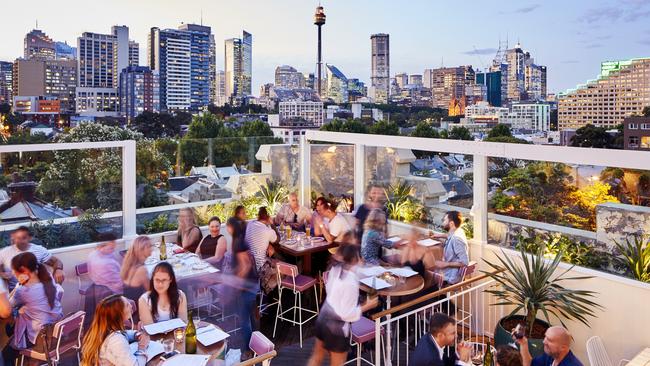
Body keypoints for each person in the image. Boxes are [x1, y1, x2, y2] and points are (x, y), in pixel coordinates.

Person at [308, 244, 378, 366]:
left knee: (316, 358)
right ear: (354, 260)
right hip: (336, 329)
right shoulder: (350, 282)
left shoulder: (335, 270)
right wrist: (367, 305)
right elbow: (346, 314)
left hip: (323, 318)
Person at [9, 252, 64, 351]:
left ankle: (28, 359)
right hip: (56, 332)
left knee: (6, 352)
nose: (13, 273)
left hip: (41, 339)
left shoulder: (23, 290)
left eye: (14, 270)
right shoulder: (49, 278)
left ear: (24, 270)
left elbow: (7, 307)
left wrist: (18, 285)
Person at [81, 294, 150, 366]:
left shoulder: (102, 330)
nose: (131, 305)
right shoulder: (115, 340)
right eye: (127, 305)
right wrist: (142, 347)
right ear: (118, 315)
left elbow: (124, 333)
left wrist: (136, 334)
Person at [226, 216, 259, 357]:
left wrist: (237, 284)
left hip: (246, 286)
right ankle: (256, 345)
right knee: (250, 318)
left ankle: (248, 350)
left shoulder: (238, 243)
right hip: (251, 284)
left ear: (231, 227)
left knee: (245, 320)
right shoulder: (239, 241)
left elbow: (245, 265)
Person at [0, 226, 65, 286]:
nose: (21, 241)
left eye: (24, 238)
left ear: (30, 238)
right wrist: (2, 274)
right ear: (14, 238)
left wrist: (58, 269)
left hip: (35, 289)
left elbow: (56, 261)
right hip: (14, 291)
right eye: (18, 238)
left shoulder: (38, 250)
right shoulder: (4, 252)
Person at [431, 211, 469, 285]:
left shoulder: (456, 239)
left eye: (445, 220)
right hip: (449, 271)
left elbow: (465, 262)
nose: (443, 223)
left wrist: (446, 264)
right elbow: (449, 235)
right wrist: (437, 236)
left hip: (451, 275)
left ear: (451, 223)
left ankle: (434, 294)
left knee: (426, 271)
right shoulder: (459, 231)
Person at [515, 326, 583, 366]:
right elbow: (530, 364)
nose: (544, 341)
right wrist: (523, 343)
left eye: (549, 340)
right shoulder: (551, 355)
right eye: (545, 337)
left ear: (563, 347)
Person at [120, 236, 153, 303]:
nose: (152, 249)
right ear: (141, 249)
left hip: (127, 301)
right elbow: (150, 290)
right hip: (136, 305)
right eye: (149, 247)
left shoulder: (129, 262)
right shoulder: (141, 269)